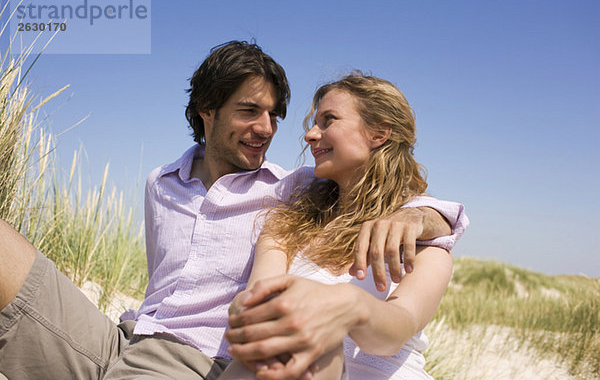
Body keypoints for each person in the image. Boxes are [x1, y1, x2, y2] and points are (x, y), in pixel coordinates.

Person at [0, 41, 467, 379]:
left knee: (305, 342)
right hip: (126, 340)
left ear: (379, 134)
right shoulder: (276, 207)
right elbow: (249, 292)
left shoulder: (287, 188)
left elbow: (435, 229)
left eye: (323, 121)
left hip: (207, 364)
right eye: (249, 110)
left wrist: (425, 215)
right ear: (207, 109)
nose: (272, 130)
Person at [220, 73, 464, 379]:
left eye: (328, 120)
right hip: (283, 366)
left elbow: (394, 334)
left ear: (379, 134)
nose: (310, 134)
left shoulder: (424, 240)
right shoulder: (287, 223)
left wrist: (349, 307)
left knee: (319, 337)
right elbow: (250, 302)